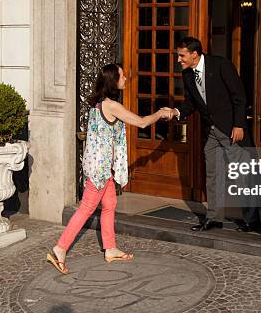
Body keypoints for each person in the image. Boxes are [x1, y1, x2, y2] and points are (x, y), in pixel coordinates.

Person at [47, 63, 172, 274]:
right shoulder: (111, 105)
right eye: (122, 76)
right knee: (87, 208)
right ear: (113, 81)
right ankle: (60, 248)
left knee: (110, 204)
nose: (126, 78)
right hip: (100, 169)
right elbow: (141, 123)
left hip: (101, 166)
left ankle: (110, 248)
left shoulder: (98, 104)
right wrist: (160, 113)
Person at [166, 37, 261, 232]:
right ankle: (213, 217)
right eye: (178, 55)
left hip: (231, 131)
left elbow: (239, 96)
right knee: (212, 176)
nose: (179, 60)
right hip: (210, 132)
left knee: (242, 175)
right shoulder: (187, 75)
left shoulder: (221, 65)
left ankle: (252, 219)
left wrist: (239, 125)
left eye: (181, 55)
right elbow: (191, 103)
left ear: (194, 54)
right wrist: (177, 112)